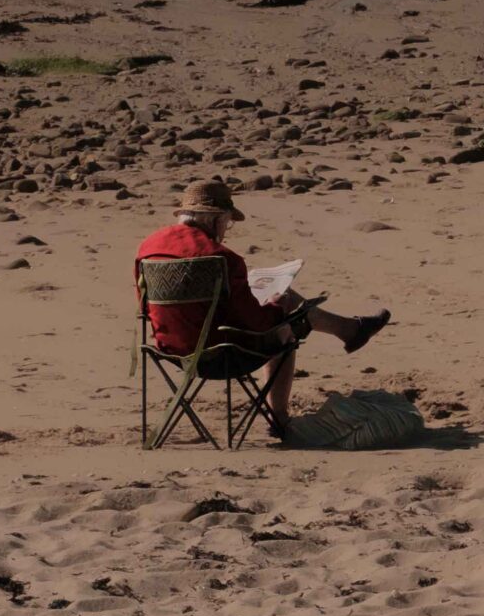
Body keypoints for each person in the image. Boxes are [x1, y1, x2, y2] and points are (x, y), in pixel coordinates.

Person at [135, 180, 390, 432]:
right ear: (214, 219)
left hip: (171, 351)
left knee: (284, 305)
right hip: (220, 354)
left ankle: (350, 330)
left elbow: (145, 306)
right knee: (286, 323)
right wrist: (276, 307)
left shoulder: (148, 247)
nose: (226, 229)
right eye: (227, 222)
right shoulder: (222, 258)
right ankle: (279, 417)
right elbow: (255, 323)